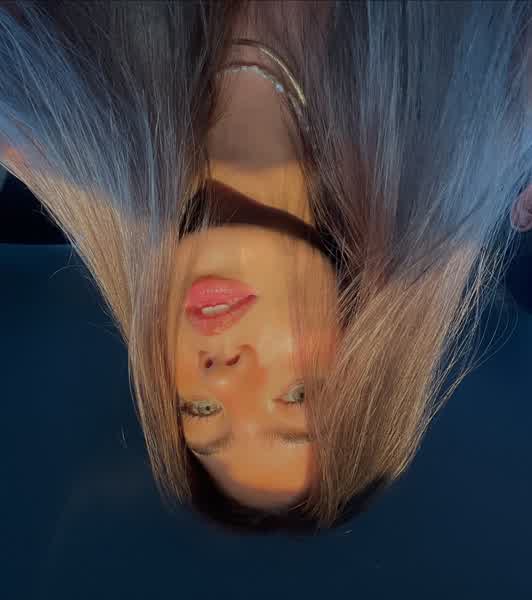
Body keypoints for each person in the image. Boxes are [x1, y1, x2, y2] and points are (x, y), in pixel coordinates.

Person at [1, 1, 531, 535]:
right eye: (296, 396)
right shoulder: (476, 70)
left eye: (202, 410)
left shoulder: (48, 95)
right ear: (371, 344)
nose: (222, 375)